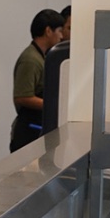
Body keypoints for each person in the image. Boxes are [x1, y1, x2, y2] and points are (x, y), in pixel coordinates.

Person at [10, 8, 65, 152]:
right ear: (48, 31)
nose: (61, 36)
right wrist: (55, 105)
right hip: (28, 132)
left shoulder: (43, 57)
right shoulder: (31, 60)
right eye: (59, 31)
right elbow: (22, 96)